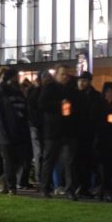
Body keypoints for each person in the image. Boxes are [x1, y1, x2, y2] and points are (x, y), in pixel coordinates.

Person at [0, 68, 32, 195]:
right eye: (14, 77)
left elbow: (25, 109)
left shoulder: (18, 92)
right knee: (9, 160)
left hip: (18, 131)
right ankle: (11, 187)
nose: (16, 80)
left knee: (19, 159)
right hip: (4, 131)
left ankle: (4, 181)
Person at [38, 65, 78, 198]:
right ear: (56, 75)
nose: (65, 76)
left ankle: (70, 189)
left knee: (69, 161)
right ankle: (45, 187)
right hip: (53, 130)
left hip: (67, 130)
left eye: (67, 74)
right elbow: (42, 104)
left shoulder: (71, 90)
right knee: (49, 160)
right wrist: (59, 104)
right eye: (63, 74)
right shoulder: (50, 88)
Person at [75, 72, 100, 198]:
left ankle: (85, 187)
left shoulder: (94, 96)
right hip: (78, 132)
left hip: (89, 132)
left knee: (87, 162)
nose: (81, 83)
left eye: (84, 80)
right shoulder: (76, 95)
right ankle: (81, 187)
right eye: (80, 80)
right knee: (79, 162)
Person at [93, 81, 112, 202]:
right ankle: (104, 190)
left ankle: (106, 190)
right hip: (102, 139)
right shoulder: (99, 105)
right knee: (103, 167)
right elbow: (97, 121)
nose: (110, 94)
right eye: (108, 91)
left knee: (111, 166)